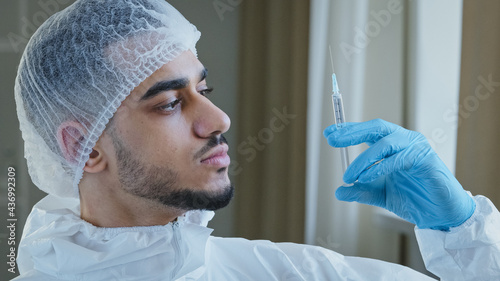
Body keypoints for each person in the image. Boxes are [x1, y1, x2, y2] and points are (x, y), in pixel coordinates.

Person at [12, 0, 500, 280]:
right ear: (83, 147)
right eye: (168, 103)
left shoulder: (280, 271)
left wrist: (463, 234)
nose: (219, 118)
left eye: (203, 90)